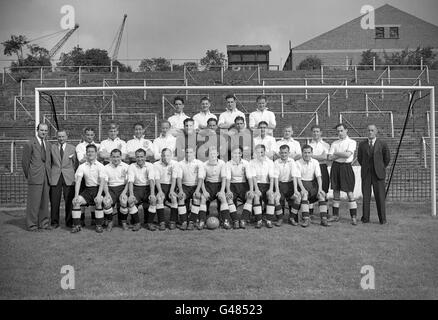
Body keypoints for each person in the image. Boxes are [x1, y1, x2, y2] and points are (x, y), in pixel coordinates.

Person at [357, 124, 391, 225]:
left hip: (378, 174)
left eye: (372, 130)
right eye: (368, 130)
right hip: (366, 174)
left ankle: (382, 219)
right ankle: (365, 218)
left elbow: (387, 158)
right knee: (366, 197)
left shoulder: (383, 144)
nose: (370, 132)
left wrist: (380, 167)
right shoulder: (362, 144)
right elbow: (360, 158)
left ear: (376, 132)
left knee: (380, 197)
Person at [22, 123, 52, 232]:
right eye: (41, 130)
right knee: (33, 203)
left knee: (45, 202)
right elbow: (25, 163)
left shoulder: (48, 144)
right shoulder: (29, 144)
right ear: (37, 130)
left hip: (46, 177)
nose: (43, 132)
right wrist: (29, 175)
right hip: (35, 177)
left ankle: (43, 223)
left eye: (45, 130)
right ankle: (32, 225)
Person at [327, 123, 358, 225]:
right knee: (336, 191)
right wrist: (340, 154)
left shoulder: (352, 142)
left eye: (341, 130)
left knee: (349, 192)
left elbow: (347, 155)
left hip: (346, 167)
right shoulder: (334, 143)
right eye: (338, 131)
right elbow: (329, 158)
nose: (340, 133)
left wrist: (336, 153)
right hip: (335, 167)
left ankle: (353, 216)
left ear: (346, 130)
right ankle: (335, 216)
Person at [72, 144, 106, 233]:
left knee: (98, 201)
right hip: (87, 190)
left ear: (96, 153)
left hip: (98, 190)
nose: (90, 153)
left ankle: (99, 225)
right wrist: (76, 195)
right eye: (88, 152)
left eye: (92, 151)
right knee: (76, 202)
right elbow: (78, 181)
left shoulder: (100, 166)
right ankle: (77, 225)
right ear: (86, 153)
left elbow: (102, 182)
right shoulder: (82, 166)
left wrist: (99, 195)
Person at [49, 129, 78, 229]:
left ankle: (69, 222)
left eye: (63, 136)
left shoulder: (72, 148)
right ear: (57, 137)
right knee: (54, 200)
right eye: (59, 136)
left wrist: (72, 173)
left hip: (69, 177)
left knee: (69, 201)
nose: (61, 138)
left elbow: (75, 163)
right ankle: (54, 222)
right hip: (55, 176)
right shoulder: (52, 148)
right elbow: (49, 162)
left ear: (67, 137)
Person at [296, 145, 329, 227]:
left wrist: (320, 189)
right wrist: (303, 189)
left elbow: (318, 177)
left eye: (309, 152)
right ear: (302, 153)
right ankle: (306, 219)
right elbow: (298, 178)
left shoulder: (315, 162)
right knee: (304, 195)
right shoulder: (297, 163)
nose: (307, 155)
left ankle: (323, 220)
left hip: (312, 184)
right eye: (305, 153)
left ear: (312, 153)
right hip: (302, 184)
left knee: (321, 195)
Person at [225, 146, 255, 229]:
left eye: (237, 153)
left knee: (250, 196)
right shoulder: (228, 164)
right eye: (233, 153)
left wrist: (251, 190)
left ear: (241, 154)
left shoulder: (246, 163)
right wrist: (228, 190)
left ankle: (243, 220)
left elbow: (249, 177)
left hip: (243, 184)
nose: (235, 155)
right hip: (232, 184)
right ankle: (235, 220)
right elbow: (228, 178)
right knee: (229, 198)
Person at [127, 148, 157, 231]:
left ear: (145, 157)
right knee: (131, 201)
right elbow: (130, 181)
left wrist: (152, 194)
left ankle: (150, 223)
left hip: (147, 187)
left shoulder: (150, 165)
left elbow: (151, 180)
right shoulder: (132, 166)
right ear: (135, 157)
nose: (139, 159)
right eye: (137, 157)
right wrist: (131, 195)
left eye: (141, 156)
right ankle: (137, 223)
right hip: (137, 188)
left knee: (153, 200)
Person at [175, 147, 205, 230]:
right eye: (187, 152)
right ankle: (184, 222)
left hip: (196, 186)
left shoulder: (199, 163)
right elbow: (179, 178)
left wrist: (197, 190)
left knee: (197, 197)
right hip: (184, 186)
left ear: (194, 153)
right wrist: (180, 190)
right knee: (181, 197)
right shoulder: (180, 164)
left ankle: (192, 221)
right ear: (185, 153)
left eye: (190, 152)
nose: (189, 154)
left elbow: (200, 178)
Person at [201, 146, 230, 229]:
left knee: (223, 197)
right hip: (208, 185)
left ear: (217, 154)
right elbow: (202, 180)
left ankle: (226, 221)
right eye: (210, 153)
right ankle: (202, 221)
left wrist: (221, 191)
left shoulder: (222, 163)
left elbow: (224, 178)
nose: (212, 155)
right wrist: (204, 191)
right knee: (203, 198)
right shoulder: (204, 164)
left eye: (214, 153)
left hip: (219, 185)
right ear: (208, 155)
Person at [75, 127, 99, 225]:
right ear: (84, 135)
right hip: (83, 174)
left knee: (94, 197)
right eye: (87, 135)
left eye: (91, 135)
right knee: (81, 197)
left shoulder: (98, 145)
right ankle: (81, 219)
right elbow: (81, 159)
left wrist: (88, 156)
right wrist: (91, 156)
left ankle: (94, 218)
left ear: (94, 135)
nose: (89, 136)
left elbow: (99, 157)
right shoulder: (80, 146)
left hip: (94, 174)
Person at [273, 145, 301, 227]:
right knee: (277, 198)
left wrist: (295, 190)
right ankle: (280, 218)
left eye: (285, 153)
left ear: (289, 153)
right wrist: (277, 190)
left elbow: (294, 176)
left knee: (297, 198)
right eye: (282, 153)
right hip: (280, 184)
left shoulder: (292, 161)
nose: (284, 155)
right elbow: (275, 177)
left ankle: (292, 218)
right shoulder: (276, 162)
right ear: (279, 153)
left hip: (290, 184)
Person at [250, 144, 277, 228]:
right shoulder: (252, 162)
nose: (260, 154)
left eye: (262, 152)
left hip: (267, 185)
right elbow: (253, 177)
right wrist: (256, 189)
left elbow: (272, 177)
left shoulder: (270, 162)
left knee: (271, 197)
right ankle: (259, 220)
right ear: (255, 153)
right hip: (257, 184)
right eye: (258, 152)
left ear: (265, 152)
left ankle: (269, 220)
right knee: (256, 196)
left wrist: (271, 189)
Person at [102, 149, 129, 231]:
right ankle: (110, 222)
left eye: (117, 157)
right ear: (110, 157)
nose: (115, 159)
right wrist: (107, 194)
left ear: (121, 157)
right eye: (113, 157)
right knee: (107, 202)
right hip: (110, 188)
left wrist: (124, 193)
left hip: (122, 188)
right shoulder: (106, 167)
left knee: (124, 201)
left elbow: (128, 182)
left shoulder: (126, 166)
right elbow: (105, 183)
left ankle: (124, 222)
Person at [154, 148, 180, 230]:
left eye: (168, 155)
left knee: (174, 198)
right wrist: (160, 191)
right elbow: (156, 179)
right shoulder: (156, 164)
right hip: (160, 185)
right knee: (159, 198)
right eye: (164, 155)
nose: (166, 157)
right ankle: (161, 222)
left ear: (171, 156)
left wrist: (172, 190)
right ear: (161, 156)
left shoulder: (175, 164)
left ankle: (173, 221)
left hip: (171, 185)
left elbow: (174, 179)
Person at [309, 125, 330, 216]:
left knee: (324, 189)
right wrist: (319, 157)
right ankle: (309, 213)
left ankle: (325, 213)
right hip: (311, 168)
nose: (316, 133)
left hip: (322, 168)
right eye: (314, 131)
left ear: (321, 133)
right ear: (311, 133)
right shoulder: (309, 145)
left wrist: (312, 156)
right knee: (311, 189)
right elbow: (307, 157)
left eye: (317, 131)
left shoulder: (326, 145)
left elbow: (325, 157)